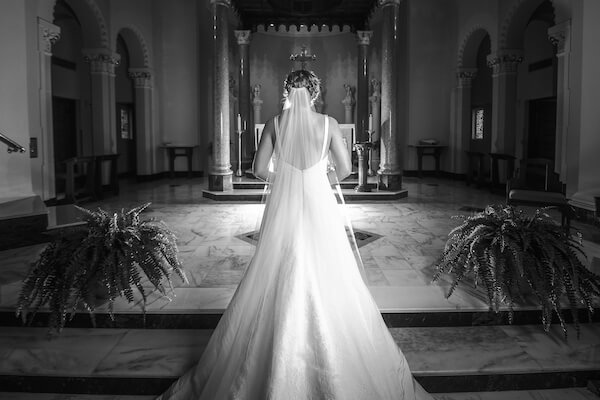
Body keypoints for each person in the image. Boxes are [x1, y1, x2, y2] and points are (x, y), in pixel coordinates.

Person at [157, 70, 432, 400]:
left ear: (288, 91)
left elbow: (259, 170)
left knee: (280, 261)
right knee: (327, 266)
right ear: (315, 94)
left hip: (284, 205)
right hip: (319, 203)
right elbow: (344, 170)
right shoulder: (329, 123)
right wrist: (315, 177)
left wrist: (286, 175)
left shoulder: (274, 123)